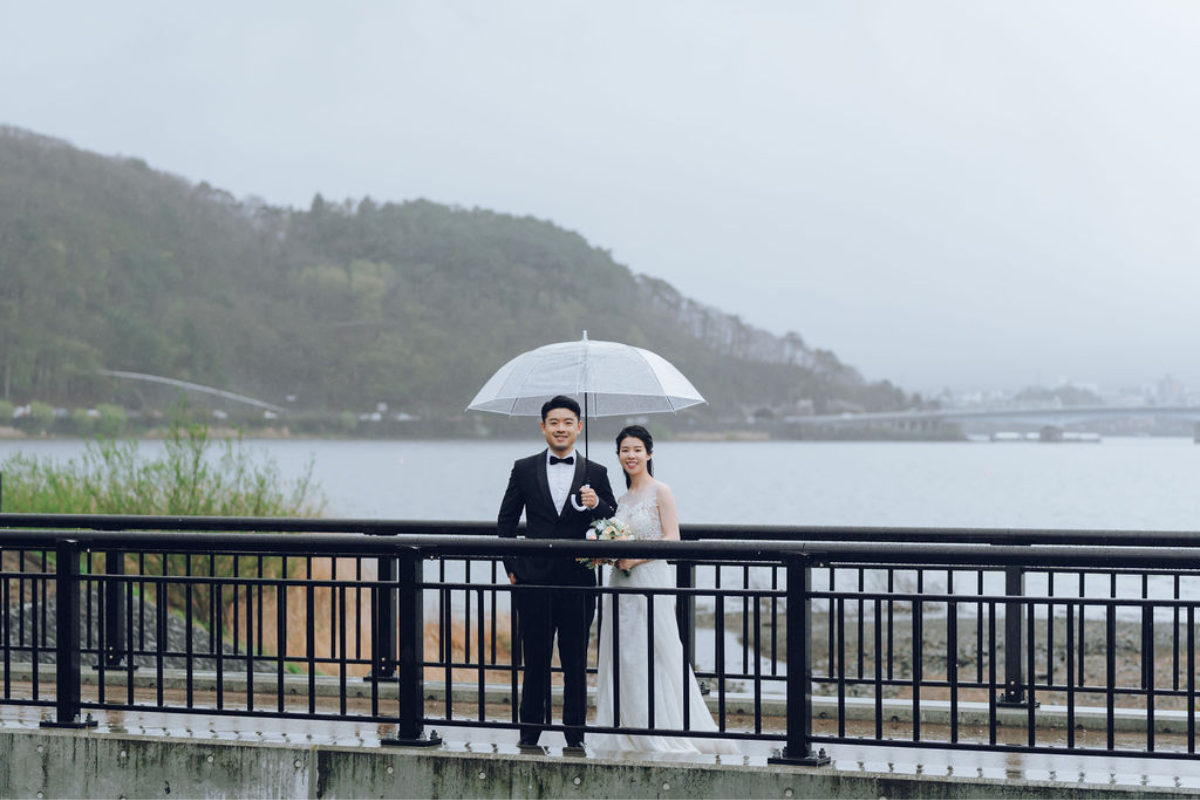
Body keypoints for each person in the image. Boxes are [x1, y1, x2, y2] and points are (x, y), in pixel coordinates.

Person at [593, 424, 739, 755]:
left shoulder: (662, 491)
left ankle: (660, 726)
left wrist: (635, 558)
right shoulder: (619, 500)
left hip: (650, 578)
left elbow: (672, 538)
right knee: (623, 651)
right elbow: (617, 538)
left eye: (636, 449)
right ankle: (625, 724)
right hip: (619, 584)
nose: (630, 456)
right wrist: (607, 552)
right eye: (624, 450)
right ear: (618, 456)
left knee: (656, 649)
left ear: (648, 453)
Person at [497, 395, 618, 749]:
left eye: (568, 422)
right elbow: (505, 521)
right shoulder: (522, 468)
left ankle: (575, 737)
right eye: (554, 422)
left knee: (576, 663)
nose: (561, 428)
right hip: (531, 581)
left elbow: (611, 520)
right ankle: (529, 734)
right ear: (543, 427)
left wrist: (598, 504)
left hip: (578, 581)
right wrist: (513, 568)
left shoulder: (597, 472)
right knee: (534, 661)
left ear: (578, 427)